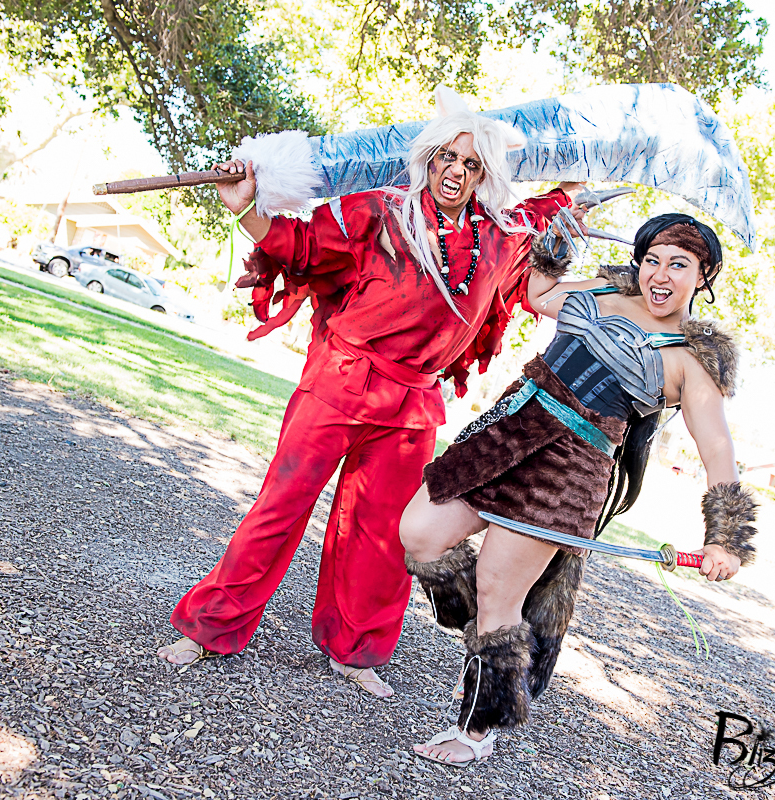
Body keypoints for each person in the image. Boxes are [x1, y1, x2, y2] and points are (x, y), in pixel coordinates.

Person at [155, 87, 590, 699]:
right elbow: (300, 247)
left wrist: (574, 199)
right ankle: (210, 627)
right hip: (339, 383)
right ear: (428, 159)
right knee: (281, 507)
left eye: (471, 164)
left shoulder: (499, 238)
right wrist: (245, 207)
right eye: (446, 157)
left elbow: (545, 226)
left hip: (412, 407)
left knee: (381, 533)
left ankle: (355, 650)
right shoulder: (378, 210)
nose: (456, 171)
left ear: (484, 175)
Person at [399, 213, 758, 763]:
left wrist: (726, 538)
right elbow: (540, 296)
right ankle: (495, 644)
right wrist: (555, 244)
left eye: (678, 264)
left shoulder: (693, 359)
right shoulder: (609, 288)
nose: (660, 275)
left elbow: (716, 446)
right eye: (652, 259)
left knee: (498, 593)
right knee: (420, 533)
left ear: (703, 275)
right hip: (504, 429)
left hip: (566, 470)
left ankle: (476, 727)